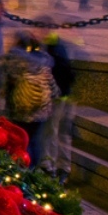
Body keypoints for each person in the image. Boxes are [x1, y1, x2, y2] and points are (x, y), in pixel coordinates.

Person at [4, 31, 59, 168]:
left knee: (22, 141)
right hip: (40, 112)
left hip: (21, 111)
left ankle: (22, 169)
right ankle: (33, 169)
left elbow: (8, 83)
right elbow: (54, 89)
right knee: (35, 141)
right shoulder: (44, 63)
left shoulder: (16, 62)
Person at [41, 32, 76, 182]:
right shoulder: (58, 46)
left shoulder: (51, 50)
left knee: (53, 132)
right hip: (64, 95)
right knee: (62, 133)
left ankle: (52, 168)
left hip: (58, 97)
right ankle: (63, 168)